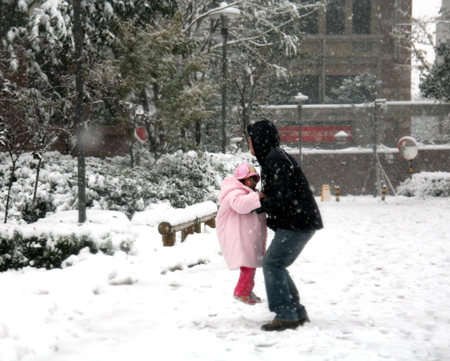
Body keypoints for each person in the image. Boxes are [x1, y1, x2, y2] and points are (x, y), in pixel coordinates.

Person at [247, 120, 323, 331]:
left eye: (251, 140)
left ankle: (286, 314)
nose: (249, 145)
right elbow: (281, 195)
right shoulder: (275, 157)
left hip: (298, 222)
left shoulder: (275, 160)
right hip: (300, 220)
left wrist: (256, 203)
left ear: (259, 140)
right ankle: (295, 311)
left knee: (273, 264)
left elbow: (281, 197)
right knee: (277, 264)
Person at [216, 163, 267, 305]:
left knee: (250, 264)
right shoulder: (234, 193)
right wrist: (257, 198)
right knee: (248, 264)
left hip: (246, 235)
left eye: (255, 180)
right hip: (239, 236)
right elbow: (241, 205)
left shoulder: (246, 193)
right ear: (241, 180)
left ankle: (246, 290)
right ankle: (241, 291)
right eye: (250, 179)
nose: (253, 183)